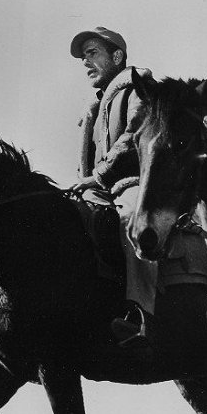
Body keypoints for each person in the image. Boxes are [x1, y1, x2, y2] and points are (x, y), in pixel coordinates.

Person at [69, 27, 159, 345]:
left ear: (117, 56)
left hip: (136, 183)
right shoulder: (95, 107)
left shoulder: (138, 87)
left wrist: (100, 175)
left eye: (92, 53)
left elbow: (135, 133)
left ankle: (141, 316)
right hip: (103, 187)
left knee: (132, 222)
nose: (85, 62)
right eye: (83, 57)